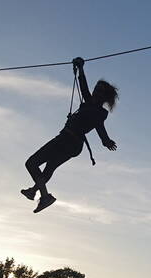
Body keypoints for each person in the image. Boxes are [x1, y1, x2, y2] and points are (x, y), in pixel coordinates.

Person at [21, 57, 118, 213]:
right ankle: (36, 192)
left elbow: (99, 126)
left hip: (68, 140)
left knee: (31, 163)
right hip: (72, 144)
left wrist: (105, 140)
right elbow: (84, 87)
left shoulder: (97, 110)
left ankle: (43, 195)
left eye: (98, 91)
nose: (94, 92)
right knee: (48, 168)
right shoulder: (92, 106)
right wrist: (80, 69)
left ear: (103, 96)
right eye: (96, 89)